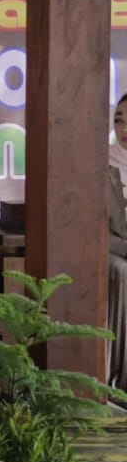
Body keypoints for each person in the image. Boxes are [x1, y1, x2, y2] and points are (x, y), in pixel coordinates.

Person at [106, 94, 127, 387]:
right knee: (122, 270)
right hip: (112, 248)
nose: (124, 129)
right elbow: (91, 228)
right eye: (119, 121)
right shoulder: (102, 164)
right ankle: (120, 380)